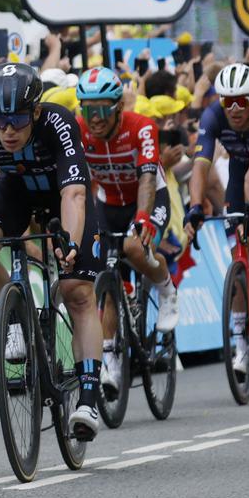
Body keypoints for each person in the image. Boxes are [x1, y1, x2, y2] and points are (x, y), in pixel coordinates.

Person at [0, 63, 104, 441]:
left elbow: (74, 194)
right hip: (14, 190)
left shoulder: (58, 123)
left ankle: (89, 395)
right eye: (1, 120)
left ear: (36, 112)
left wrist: (71, 244)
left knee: (78, 291)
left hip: (60, 194)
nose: (8, 130)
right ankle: (16, 320)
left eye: (17, 120)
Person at [75, 67, 179, 394]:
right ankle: (111, 363)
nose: (95, 117)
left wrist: (144, 216)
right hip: (108, 204)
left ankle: (165, 287)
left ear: (119, 107)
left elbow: (148, 177)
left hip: (148, 197)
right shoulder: (78, 130)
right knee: (105, 285)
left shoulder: (142, 127)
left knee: (135, 248)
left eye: (102, 108)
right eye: (88, 109)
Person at [187, 62, 249, 373]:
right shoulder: (212, 116)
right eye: (229, 100)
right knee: (237, 257)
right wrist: (195, 207)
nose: (235, 108)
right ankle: (241, 342)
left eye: (242, 100)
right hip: (239, 173)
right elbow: (201, 165)